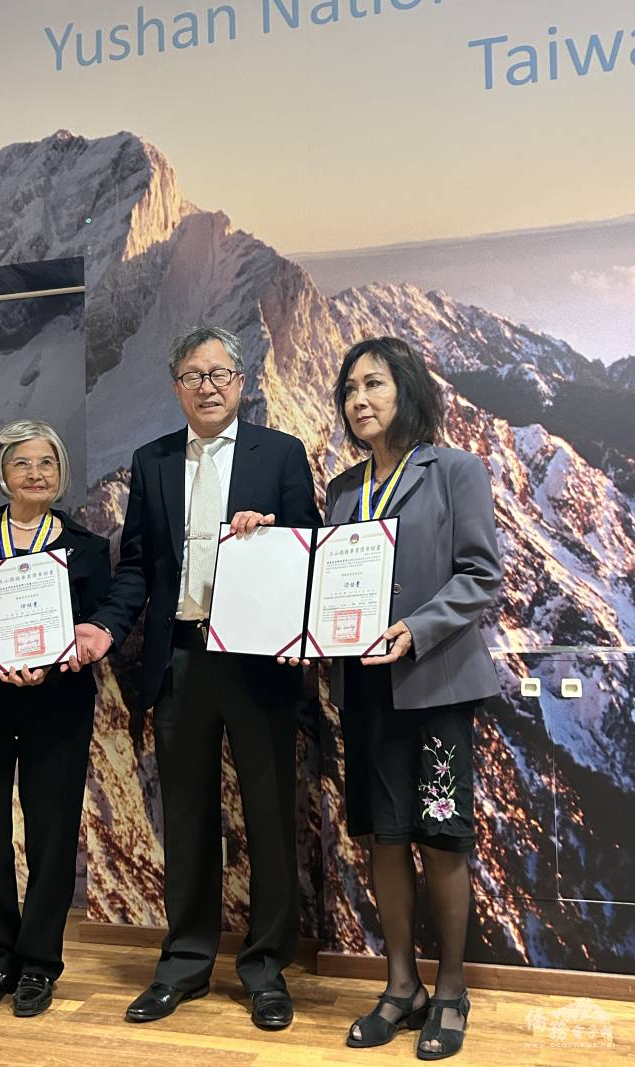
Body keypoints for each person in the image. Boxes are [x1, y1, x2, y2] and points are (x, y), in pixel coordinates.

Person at [68, 326, 320, 1030]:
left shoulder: (283, 454)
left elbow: (307, 547)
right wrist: (106, 627)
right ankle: (182, 964)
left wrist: (268, 532)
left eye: (220, 373)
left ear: (241, 382)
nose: (207, 385)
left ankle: (267, 969)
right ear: (175, 385)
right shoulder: (151, 463)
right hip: (180, 658)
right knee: (186, 820)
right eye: (192, 374)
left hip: (258, 658)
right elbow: (138, 569)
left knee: (269, 818)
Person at [326, 338, 501, 1059]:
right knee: (384, 836)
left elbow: (480, 574)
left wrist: (416, 626)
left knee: (443, 835)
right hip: (365, 687)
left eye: (374, 383)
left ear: (406, 389)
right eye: (349, 389)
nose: (359, 399)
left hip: (432, 685)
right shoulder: (341, 489)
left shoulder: (454, 469)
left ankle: (451, 987)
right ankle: (402, 987)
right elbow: (328, 578)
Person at [0, 419, 111, 1018]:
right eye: (23, 464)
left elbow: (91, 631)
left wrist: (54, 664)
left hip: (56, 706)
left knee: (53, 835)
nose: (36, 474)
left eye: (47, 464)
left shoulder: (88, 548)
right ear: (1, 473)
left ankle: (39, 963)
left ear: (60, 472)